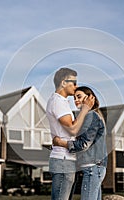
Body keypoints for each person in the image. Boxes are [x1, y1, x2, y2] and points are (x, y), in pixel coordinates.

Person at [46, 68, 95, 200]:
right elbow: (72, 129)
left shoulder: (62, 102)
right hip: (63, 160)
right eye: (73, 83)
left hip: (66, 160)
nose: (76, 86)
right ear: (63, 83)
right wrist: (85, 108)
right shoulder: (57, 102)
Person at [53, 86, 107, 200]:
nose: (76, 100)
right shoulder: (93, 116)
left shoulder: (90, 116)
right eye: (74, 98)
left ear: (89, 97)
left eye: (79, 96)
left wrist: (61, 143)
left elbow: (83, 144)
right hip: (96, 167)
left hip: (92, 168)